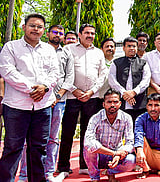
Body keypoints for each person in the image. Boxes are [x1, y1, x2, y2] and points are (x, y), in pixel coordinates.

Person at [0, 13, 60, 182]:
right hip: (16, 107)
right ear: (24, 27)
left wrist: (45, 87)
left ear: (44, 31)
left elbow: (55, 72)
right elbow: (8, 71)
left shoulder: (49, 50)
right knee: (12, 148)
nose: (36, 29)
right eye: (32, 25)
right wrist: (32, 90)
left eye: (40, 27)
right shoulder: (11, 47)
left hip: (42, 108)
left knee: (39, 149)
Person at [17, 24, 74, 181]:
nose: (57, 35)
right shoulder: (38, 50)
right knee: (30, 139)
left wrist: (58, 96)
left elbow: (69, 77)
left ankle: (48, 172)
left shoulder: (67, 53)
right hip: (37, 100)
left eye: (60, 33)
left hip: (58, 102)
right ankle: (24, 174)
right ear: (47, 34)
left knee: (53, 138)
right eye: (54, 32)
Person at [58, 23, 109, 176]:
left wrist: (92, 91)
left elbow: (103, 75)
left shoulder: (99, 53)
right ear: (79, 35)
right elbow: (64, 72)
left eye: (92, 33)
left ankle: (85, 165)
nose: (90, 36)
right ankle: (63, 166)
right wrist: (75, 90)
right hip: (72, 96)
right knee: (68, 131)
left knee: (88, 133)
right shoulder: (69, 49)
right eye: (86, 33)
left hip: (92, 97)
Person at [83, 89, 136, 182]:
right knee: (89, 150)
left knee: (132, 161)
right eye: (109, 102)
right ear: (103, 104)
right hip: (100, 155)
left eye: (115, 102)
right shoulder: (95, 118)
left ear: (120, 103)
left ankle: (110, 172)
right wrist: (113, 153)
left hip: (117, 154)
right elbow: (89, 141)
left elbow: (130, 142)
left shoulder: (127, 118)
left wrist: (119, 154)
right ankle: (95, 177)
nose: (112, 105)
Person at [109, 37, 151, 122]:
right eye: (129, 46)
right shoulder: (116, 63)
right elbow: (112, 79)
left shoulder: (143, 63)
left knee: (138, 128)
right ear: (123, 48)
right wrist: (124, 93)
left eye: (134, 46)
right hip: (121, 101)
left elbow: (146, 80)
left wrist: (134, 92)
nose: (132, 48)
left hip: (139, 102)